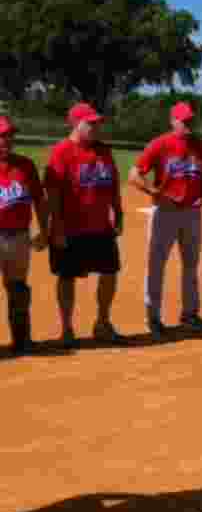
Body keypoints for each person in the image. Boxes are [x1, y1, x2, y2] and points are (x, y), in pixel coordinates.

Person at [128, 102, 202, 337]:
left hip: (192, 214)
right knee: (156, 266)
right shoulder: (160, 144)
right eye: (183, 121)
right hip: (165, 212)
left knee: (191, 266)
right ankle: (153, 317)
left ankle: (190, 314)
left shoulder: (201, 146)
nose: (188, 125)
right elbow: (134, 174)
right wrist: (151, 191)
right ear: (173, 121)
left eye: (190, 121)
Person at [44, 103, 124, 348]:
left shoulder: (104, 151)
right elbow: (53, 193)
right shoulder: (61, 152)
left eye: (97, 123)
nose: (95, 127)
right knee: (67, 277)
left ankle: (102, 322)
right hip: (71, 228)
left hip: (101, 227)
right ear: (75, 123)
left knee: (110, 273)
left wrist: (118, 213)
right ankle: (67, 328)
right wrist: (56, 227)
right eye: (90, 123)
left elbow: (113, 184)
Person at [0, 115, 49, 355]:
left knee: (18, 288)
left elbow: (39, 200)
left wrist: (44, 230)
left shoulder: (25, 165)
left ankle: (22, 340)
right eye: (1, 136)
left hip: (18, 237)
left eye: (9, 135)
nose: (6, 140)